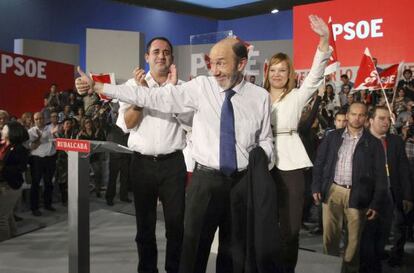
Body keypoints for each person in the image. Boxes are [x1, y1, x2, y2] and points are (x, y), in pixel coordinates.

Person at [75, 32, 274, 273]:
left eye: (221, 63)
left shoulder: (260, 97)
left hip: (242, 184)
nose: (215, 70)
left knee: (233, 249)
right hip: (205, 182)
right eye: (212, 63)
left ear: (241, 64)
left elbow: (265, 139)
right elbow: (149, 96)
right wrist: (98, 86)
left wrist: (262, 165)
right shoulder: (200, 87)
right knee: (193, 248)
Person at [263, 15, 331, 271]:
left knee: (290, 228)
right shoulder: (257, 96)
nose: (279, 75)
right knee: (265, 224)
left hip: (292, 164)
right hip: (262, 163)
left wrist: (324, 39)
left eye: (284, 70)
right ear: (268, 73)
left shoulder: (297, 96)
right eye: (275, 70)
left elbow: (315, 74)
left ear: (290, 73)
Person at [312, 102, 387, 273]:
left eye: (361, 115)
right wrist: (316, 186)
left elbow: (381, 177)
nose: (357, 118)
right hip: (333, 191)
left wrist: (375, 203)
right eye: (353, 114)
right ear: (347, 115)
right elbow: (319, 163)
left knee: (353, 242)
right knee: (329, 238)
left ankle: (349, 270)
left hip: (358, 196)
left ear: (366, 118)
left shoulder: (373, 143)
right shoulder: (332, 137)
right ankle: (329, 269)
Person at [359, 106, 413, 272]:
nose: (385, 122)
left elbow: (404, 169)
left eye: (387, 119)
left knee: (389, 232)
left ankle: (384, 261)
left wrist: (408, 196)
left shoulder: (396, 141)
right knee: (367, 235)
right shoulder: (362, 140)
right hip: (368, 197)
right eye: (381, 118)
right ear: (370, 120)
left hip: (392, 194)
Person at [0, 121, 29, 242]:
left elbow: (20, 168)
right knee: (8, 214)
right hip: (3, 184)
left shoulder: (19, 149)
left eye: (5, 129)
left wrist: (2, 168)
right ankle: (13, 236)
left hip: (10, 186)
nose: (2, 130)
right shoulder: (3, 144)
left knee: (1, 218)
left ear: (12, 132)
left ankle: (4, 243)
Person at [27, 112, 58, 216]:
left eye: (40, 118)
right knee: (35, 184)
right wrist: (39, 138)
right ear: (34, 120)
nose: (39, 121)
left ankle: (47, 204)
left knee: (49, 183)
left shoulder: (50, 128)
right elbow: (31, 147)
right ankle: (34, 208)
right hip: (37, 160)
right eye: (36, 119)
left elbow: (56, 142)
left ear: (44, 119)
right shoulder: (31, 132)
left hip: (50, 158)